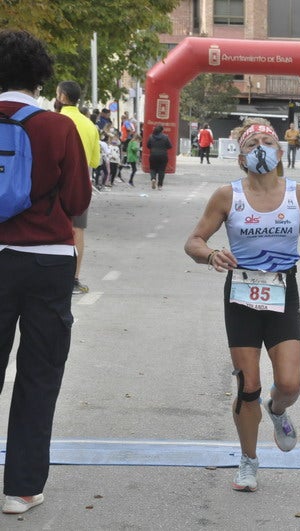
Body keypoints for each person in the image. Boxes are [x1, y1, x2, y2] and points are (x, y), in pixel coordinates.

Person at [184, 119, 300, 492]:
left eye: (267, 141)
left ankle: (277, 409)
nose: (261, 147)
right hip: (242, 295)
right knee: (248, 386)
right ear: (241, 158)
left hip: (283, 292)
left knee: (289, 384)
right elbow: (194, 241)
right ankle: (248, 460)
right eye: (253, 143)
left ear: (280, 152)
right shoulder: (227, 196)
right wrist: (212, 254)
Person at [0, 29, 93, 515]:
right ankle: (21, 489)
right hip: (46, 261)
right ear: (41, 76)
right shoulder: (58, 128)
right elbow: (77, 201)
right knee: (38, 374)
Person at [55, 80, 101, 295]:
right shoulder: (90, 125)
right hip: (80, 186)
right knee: (77, 231)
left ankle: (51, 275)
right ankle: (73, 279)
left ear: (62, 96)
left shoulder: (54, 120)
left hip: (53, 184)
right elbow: (94, 162)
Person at [147, 124, 172, 190]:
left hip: (153, 155)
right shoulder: (165, 137)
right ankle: (160, 185)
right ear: (162, 131)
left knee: (152, 169)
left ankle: (153, 179)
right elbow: (170, 146)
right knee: (162, 170)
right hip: (163, 156)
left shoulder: (151, 137)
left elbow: (148, 146)